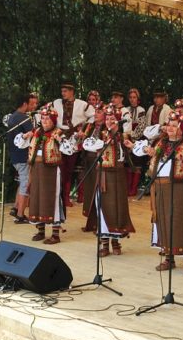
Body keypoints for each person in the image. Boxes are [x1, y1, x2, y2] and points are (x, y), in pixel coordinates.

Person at [148, 109, 183, 272]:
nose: (170, 128)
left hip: (182, 187)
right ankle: (168, 256)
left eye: (174, 125)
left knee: (182, 220)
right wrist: (149, 153)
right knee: (164, 220)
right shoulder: (160, 143)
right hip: (161, 185)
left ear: (182, 128)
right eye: (169, 125)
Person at [21, 105, 66, 244]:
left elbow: (70, 149)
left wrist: (61, 140)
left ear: (53, 120)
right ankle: (40, 231)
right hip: (36, 169)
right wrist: (24, 136)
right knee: (37, 197)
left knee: (52, 198)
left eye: (48, 118)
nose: (45, 121)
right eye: (43, 118)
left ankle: (55, 234)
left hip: (51, 171)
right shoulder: (36, 132)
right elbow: (21, 144)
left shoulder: (59, 132)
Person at [93, 104, 134, 255]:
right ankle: (104, 244)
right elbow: (88, 145)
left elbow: (131, 152)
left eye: (113, 119)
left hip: (118, 175)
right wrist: (104, 142)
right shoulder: (100, 134)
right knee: (104, 208)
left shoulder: (123, 136)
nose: (110, 121)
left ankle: (116, 242)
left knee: (117, 208)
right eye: (108, 118)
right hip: (104, 175)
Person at [53, 83, 93, 210]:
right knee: (60, 167)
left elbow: (93, 115)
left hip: (74, 138)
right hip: (59, 136)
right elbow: (46, 112)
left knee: (69, 169)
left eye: (65, 91)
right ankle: (59, 197)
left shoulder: (82, 104)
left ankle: (66, 197)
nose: (63, 93)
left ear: (72, 92)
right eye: (62, 91)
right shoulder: (56, 103)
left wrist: (84, 129)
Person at [3, 91, 38, 223]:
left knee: (23, 180)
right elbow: (33, 134)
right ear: (24, 104)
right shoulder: (23, 118)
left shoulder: (12, 117)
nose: (32, 106)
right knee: (25, 184)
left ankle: (16, 207)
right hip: (22, 156)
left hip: (14, 155)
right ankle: (20, 215)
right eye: (30, 103)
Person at [77, 102, 106, 231]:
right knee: (89, 192)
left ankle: (100, 223)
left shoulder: (106, 129)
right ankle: (91, 222)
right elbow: (82, 142)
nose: (96, 114)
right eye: (96, 111)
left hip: (99, 163)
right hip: (88, 161)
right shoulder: (90, 126)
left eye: (99, 112)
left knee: (98, 192)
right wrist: (81, 136)